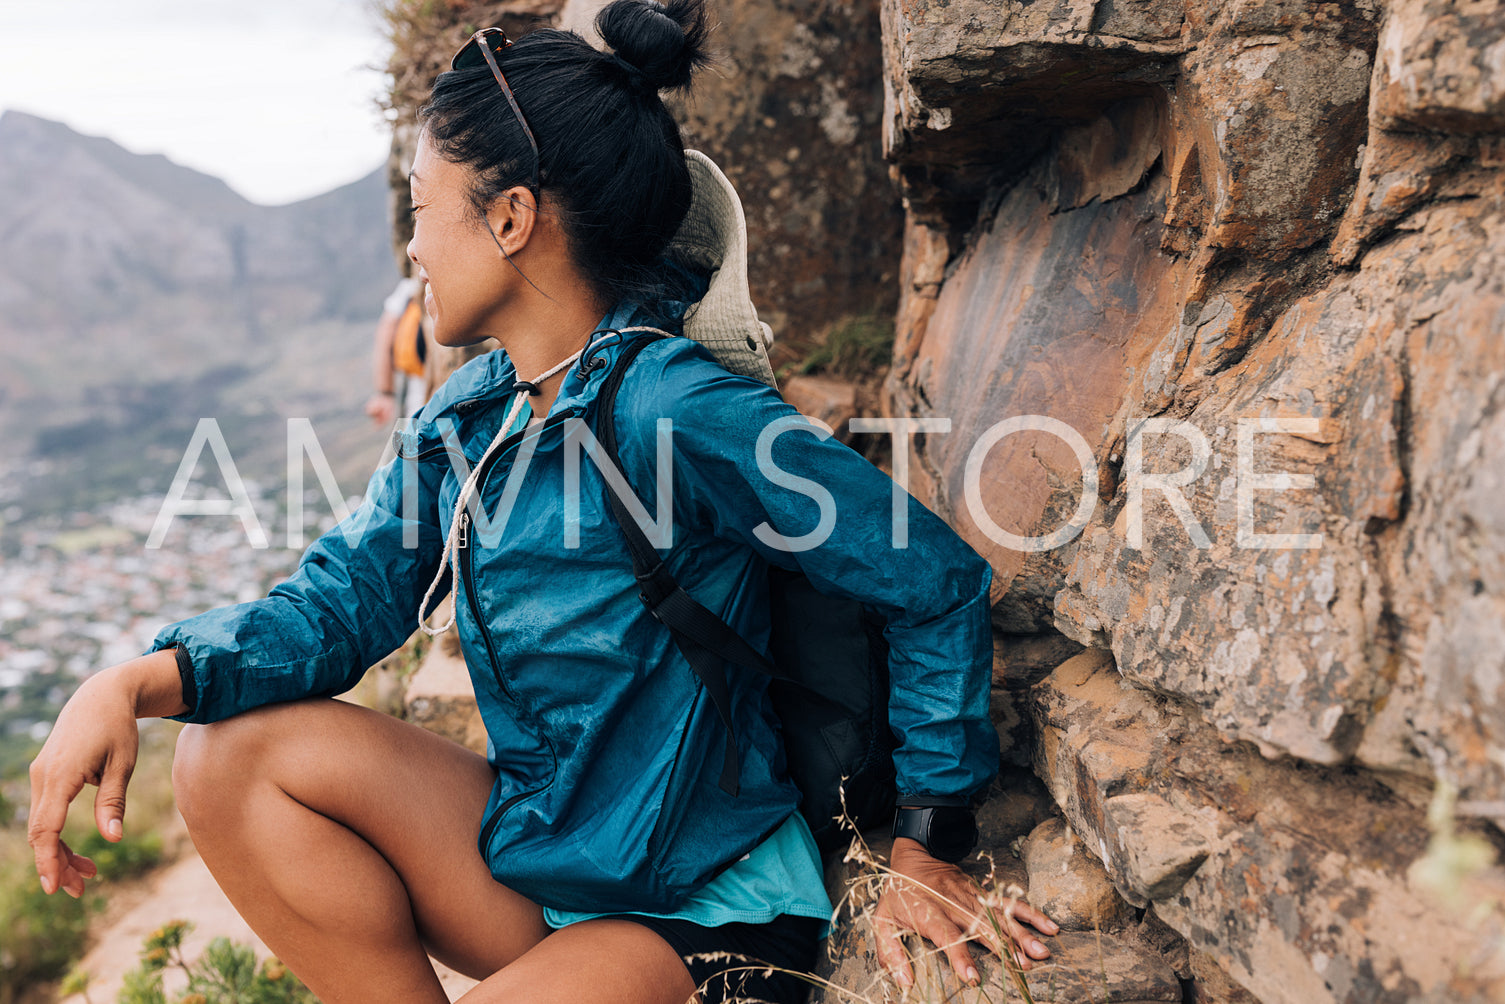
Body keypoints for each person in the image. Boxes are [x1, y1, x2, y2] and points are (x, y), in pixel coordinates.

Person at [25, 2, 1058, 1001]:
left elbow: (925, 575)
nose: (413, 249)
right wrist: (135, 681)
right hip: (556, 862)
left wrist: (927, 842)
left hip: (701, 908)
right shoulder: (470, 418)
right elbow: (344, 604)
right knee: (226, 756)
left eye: (424, 210)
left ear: (512, 215)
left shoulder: (676, 407)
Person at [366, 275, 430, 426]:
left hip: (419, 394)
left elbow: (386, 330)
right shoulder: (412, 287)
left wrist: (385, 393)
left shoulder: (413, 284)